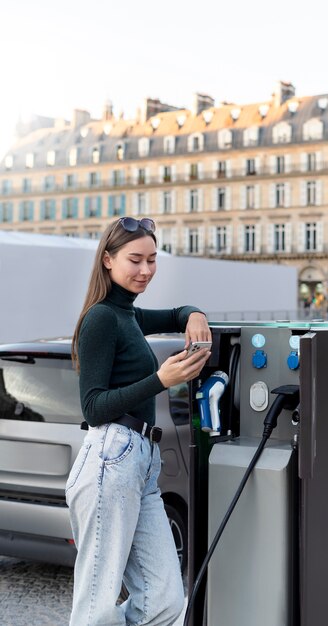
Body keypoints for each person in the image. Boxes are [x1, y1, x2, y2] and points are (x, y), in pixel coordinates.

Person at [66, 216, 211, 626]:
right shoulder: (101, 318)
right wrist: (161, 380)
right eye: (135, 260)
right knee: (96, 609)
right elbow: (93, 407)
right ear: (108, 260)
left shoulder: (129, 314)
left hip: (141, 465)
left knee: (165, 601)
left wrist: (194, 314)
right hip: (111, 459)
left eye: (152, 260)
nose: (145, 270)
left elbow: (177, 312)